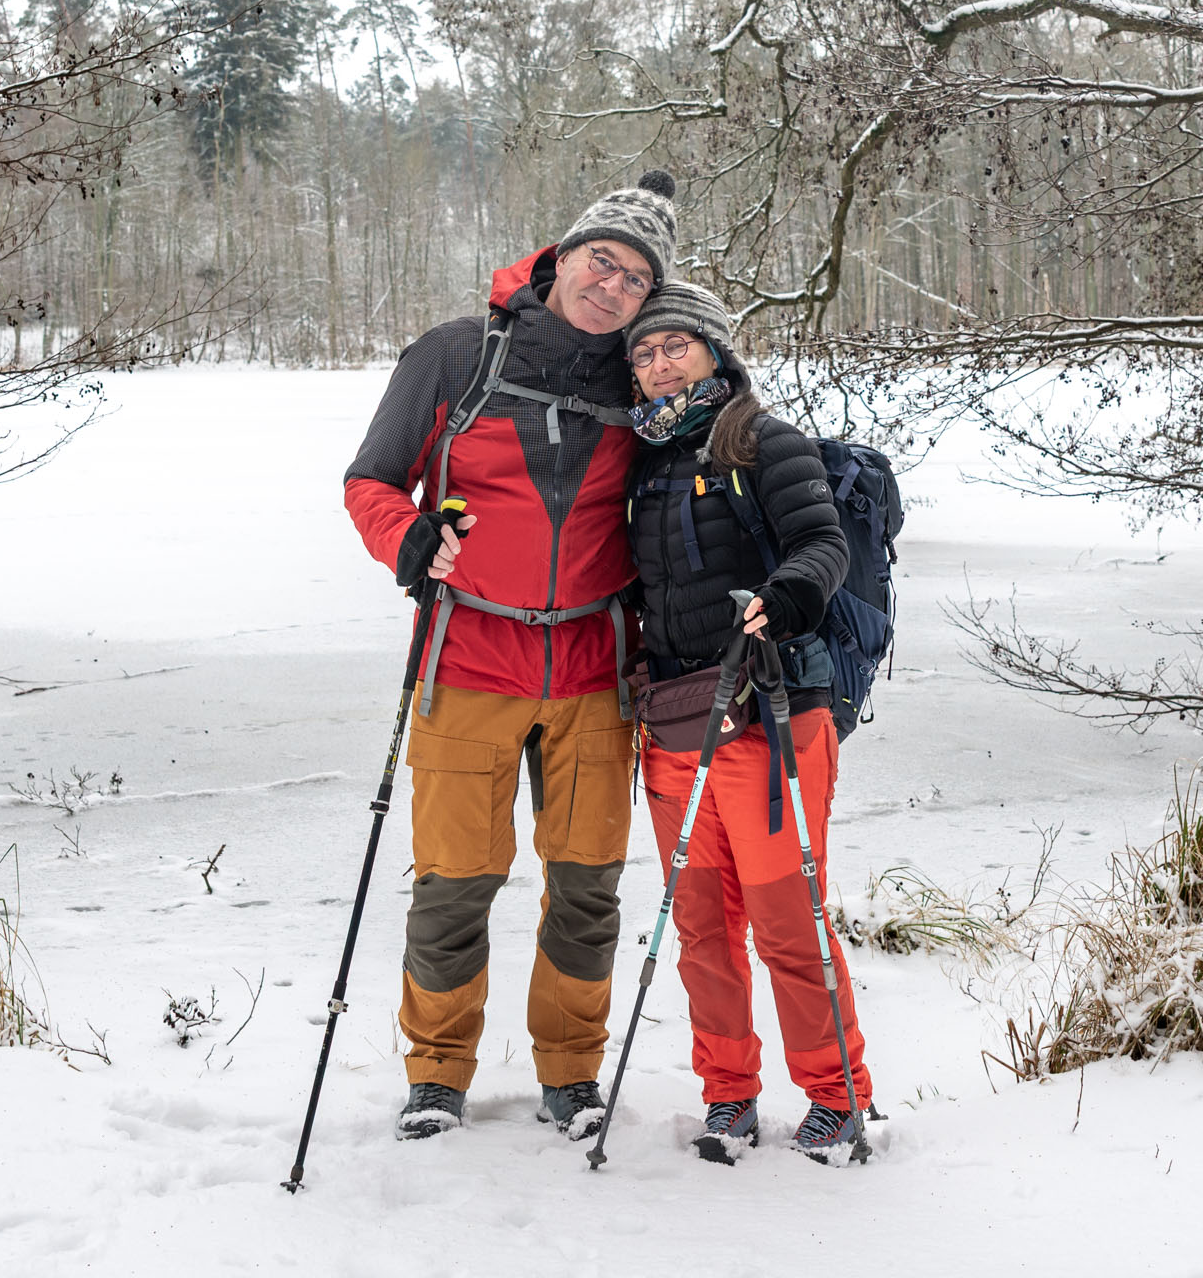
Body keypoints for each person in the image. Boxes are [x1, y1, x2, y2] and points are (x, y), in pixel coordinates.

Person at [340, 172, 677, 1142]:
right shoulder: (454, 355)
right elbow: (372, 481)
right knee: (455, 883)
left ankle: (571, 1075)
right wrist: (405, 539)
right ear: (561, 256)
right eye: (600, 261)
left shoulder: (639, 376)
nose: (610, 287)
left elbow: (707, 449)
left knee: (587, 886)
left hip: (593, 670)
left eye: (634, 279)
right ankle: (436, 1074)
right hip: (469, 657)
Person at [618, 281, 875, 1164]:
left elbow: (823, 542)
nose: (658, 365)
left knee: (786, 924)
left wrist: (789, 594)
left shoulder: (764, 440)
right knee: (700, 930)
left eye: (674, 348)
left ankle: (836, 1095)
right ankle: (727, 1092)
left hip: (770, 719)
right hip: (674, 726)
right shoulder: (642, 462)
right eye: (644, 354)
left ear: (715, 353)